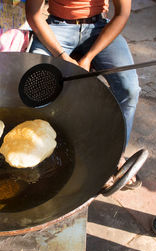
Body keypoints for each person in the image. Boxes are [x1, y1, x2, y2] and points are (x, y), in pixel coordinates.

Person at [26, 0, 142, 189]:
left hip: (99, 28)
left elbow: (122, 14)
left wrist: (89, 57)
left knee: (129, 89)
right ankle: (42, 153)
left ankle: (115, 156)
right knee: (36, 86)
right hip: (57, 29)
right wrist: (63, 57)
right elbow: (33, 14)